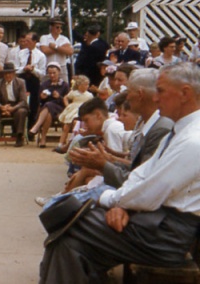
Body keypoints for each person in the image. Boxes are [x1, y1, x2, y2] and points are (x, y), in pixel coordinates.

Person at [39, 62, 200, 284]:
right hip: (154, 222)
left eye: (161, 91)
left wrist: (108, 200)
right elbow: (142, 173)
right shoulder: (181, 131)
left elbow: (150, 191)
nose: (156, 98)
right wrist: (121, 204)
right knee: (69, 243)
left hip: (164, 234)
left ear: (185, 94)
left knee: (67, 218)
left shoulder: (193, 140)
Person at [69, 68, 173, 188]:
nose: (127, 98)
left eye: (129, 92)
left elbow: (143, 181)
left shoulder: (160, 128)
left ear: (140, 95)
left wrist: (104, 164)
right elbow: (137, 168)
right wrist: (109, 159)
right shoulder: (146, 123)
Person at [0, 62, 28, 147]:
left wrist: (13, 108)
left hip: (16, 106)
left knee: (21, 111)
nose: (7, 75)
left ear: (14, 74)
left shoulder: (21, 82)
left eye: (10, 73)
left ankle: (19, 137)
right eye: (5, 73)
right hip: (3, 106)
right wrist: (1, 107)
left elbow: (23, 101)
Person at [15, 31, 47, 141]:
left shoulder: (41, 55)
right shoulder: (20, 53)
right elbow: (15, 69)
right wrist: (24, 68)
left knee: (33, 107)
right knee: (20, 104)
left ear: (34, 42)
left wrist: (33, 70)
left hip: (34, 81)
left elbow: (42, 74)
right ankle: (18, 131)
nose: (26, 42)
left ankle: (31, 131)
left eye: (28, 41)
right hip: (22, 79)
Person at [29, 63, 69, 147]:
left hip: (60, 108)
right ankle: (43, 139)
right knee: (48, 113)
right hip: (46, 110)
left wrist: (59, 97)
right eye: (50, 73)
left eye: (54, 73)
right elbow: (39, 101)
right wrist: (42, 97)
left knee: (49, 104)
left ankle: (37, 126)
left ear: (59, 72)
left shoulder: (64, 85)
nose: (52, 75)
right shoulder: (44, 84)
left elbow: (67, 101)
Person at [53, 75, 93, 154]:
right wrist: (67, 105)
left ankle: (74, 142)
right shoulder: (74, 93)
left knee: (76, 123)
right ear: (79, 85)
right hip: (73, 109)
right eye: (85, 84)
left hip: (82, 110)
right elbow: (66, 98)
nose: (87, 86)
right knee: (66, 126)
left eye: (87, 85)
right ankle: (61, 143)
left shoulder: (89, 95)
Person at [39, 17, 73, 82]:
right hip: (48, 66)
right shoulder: (44, 37)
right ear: (51, 27)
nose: (59, 29)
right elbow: (45, 51)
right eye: (57, 27)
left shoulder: (64, 38)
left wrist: (55, 47)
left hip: (62, 67)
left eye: (60, 27)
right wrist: (62, 48)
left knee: (64, 86)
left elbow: (70, 51)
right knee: (46, 86)